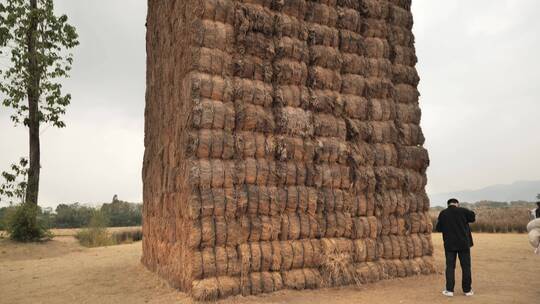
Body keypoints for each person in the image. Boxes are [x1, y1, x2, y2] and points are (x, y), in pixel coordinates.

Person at [436, 198, 476, 297]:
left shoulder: (443, 213)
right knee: (466, 267)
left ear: (448, 205)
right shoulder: (463, 211)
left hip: (449, 245)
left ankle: (449, 290)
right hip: (464, 244)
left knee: (450, 267)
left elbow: (438, 228)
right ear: (457, 204)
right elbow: (473, 217)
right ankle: (467, 290)